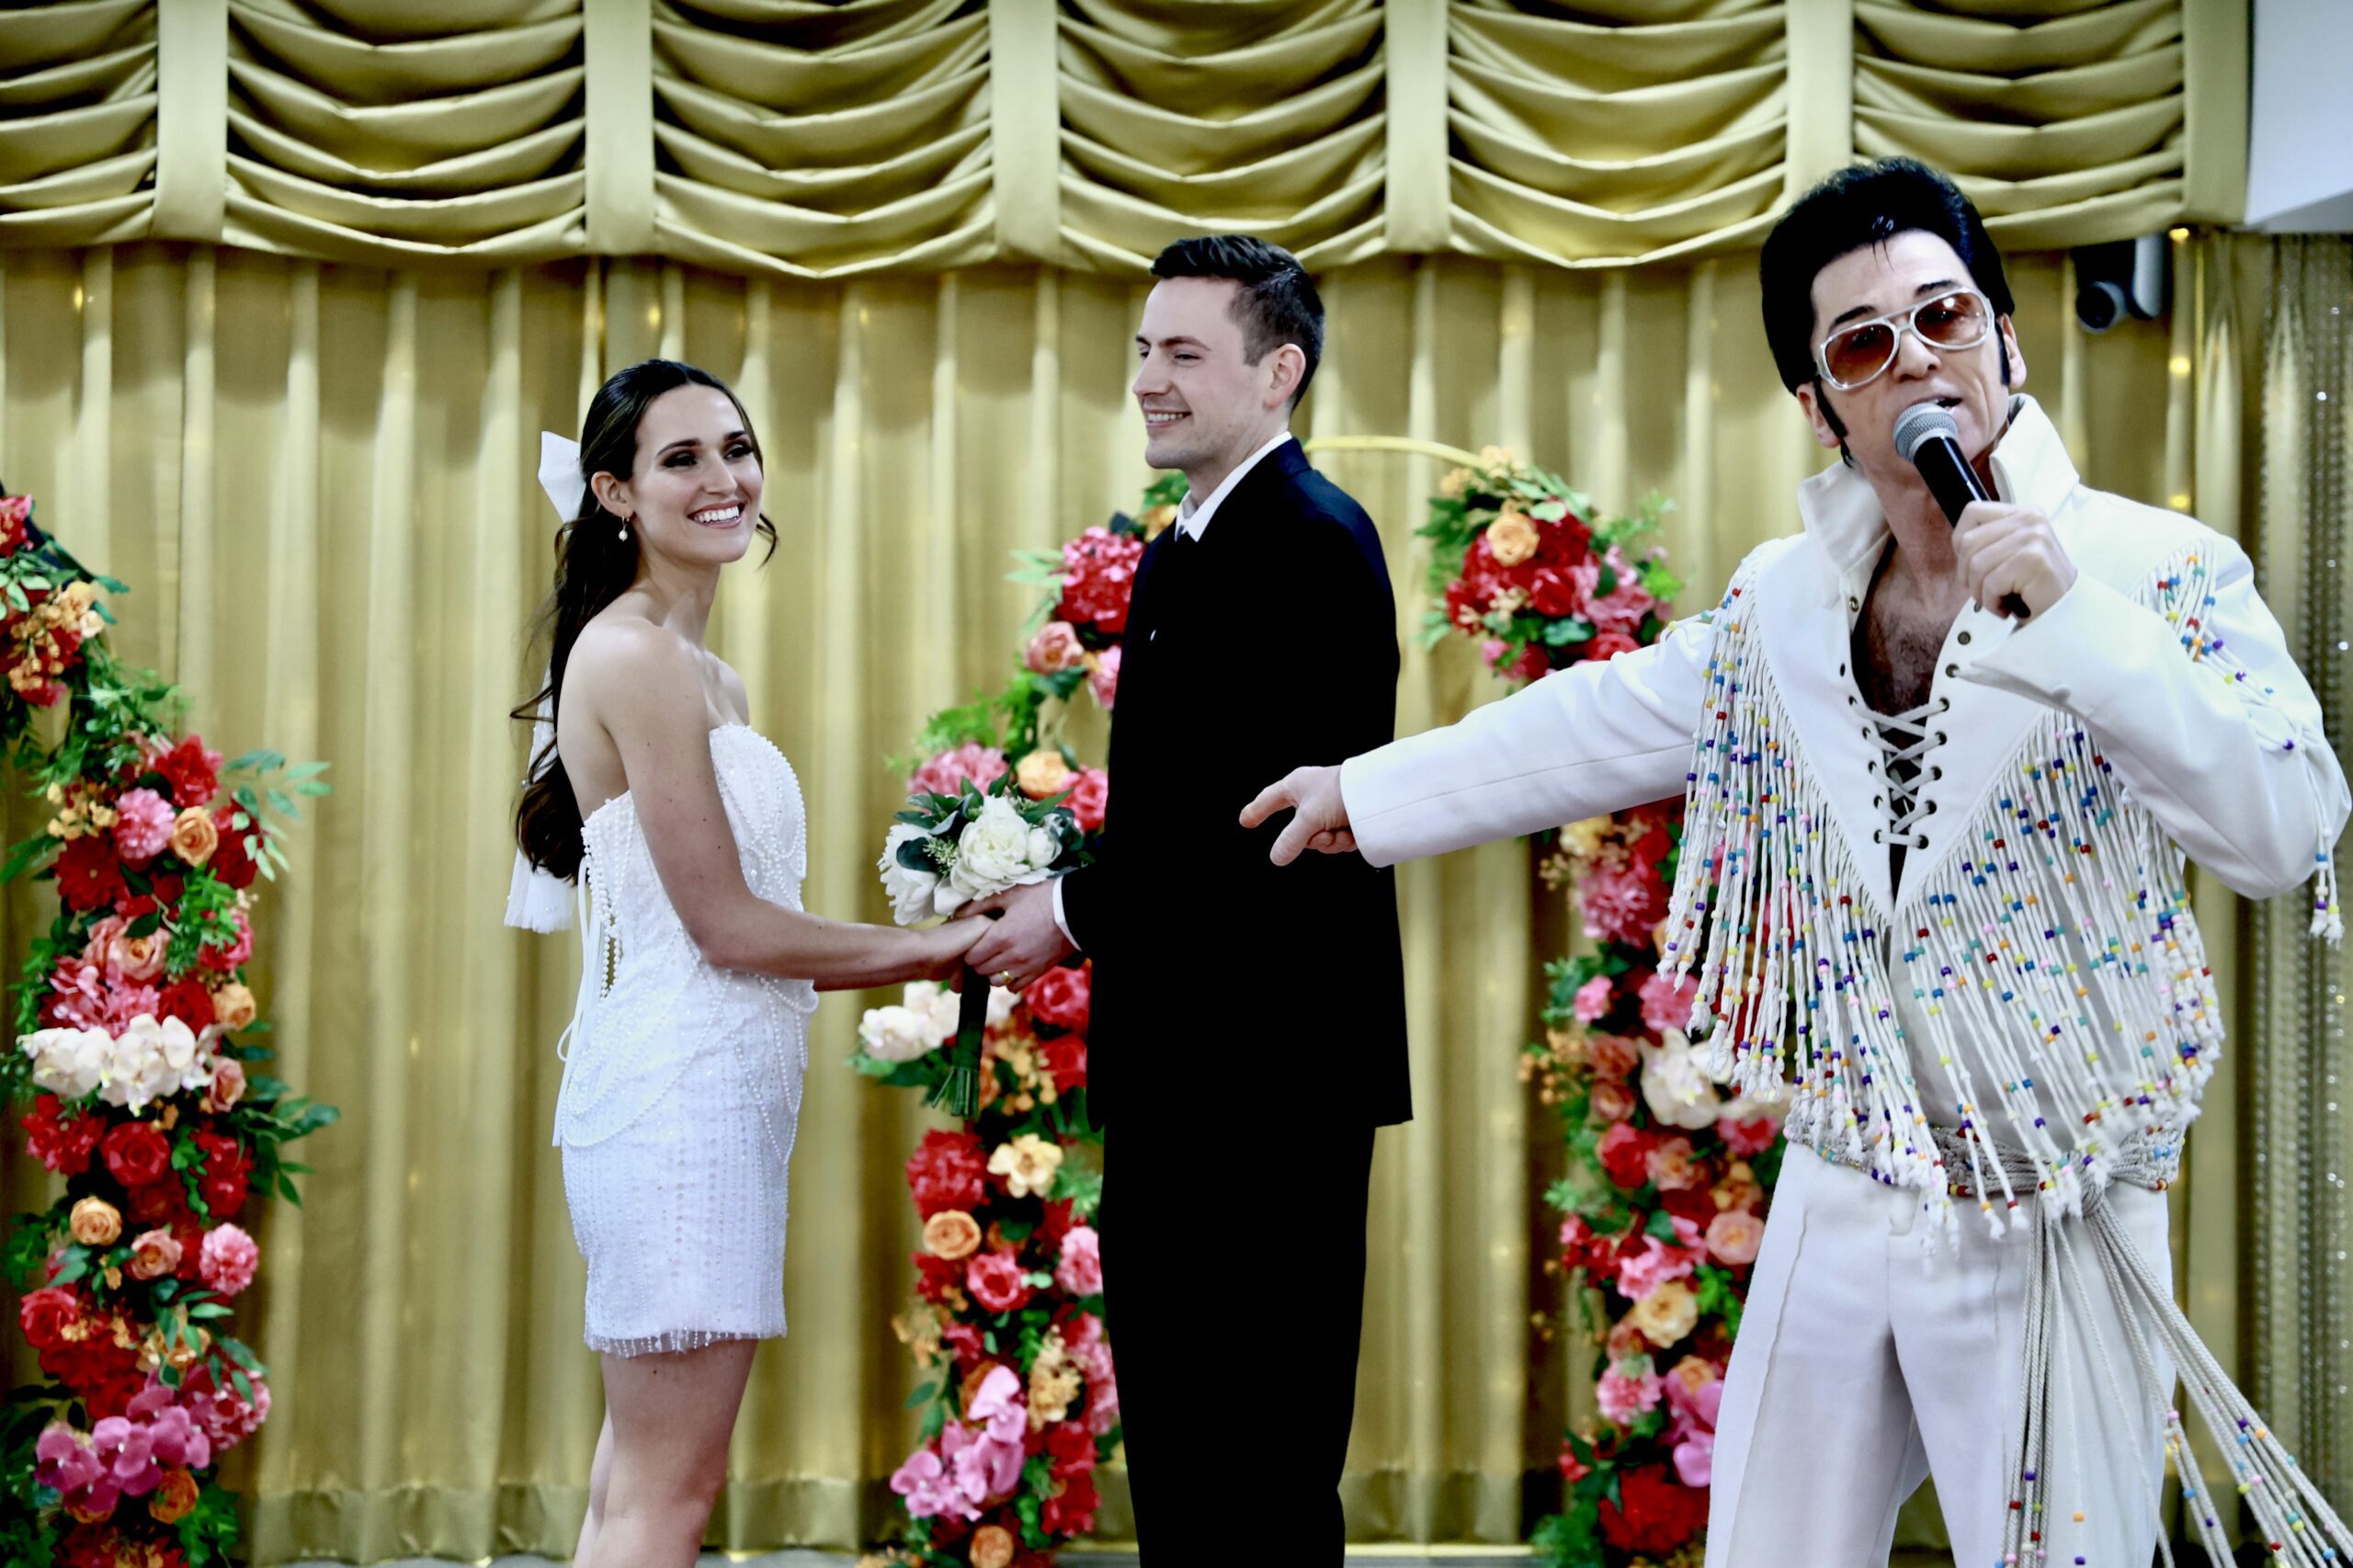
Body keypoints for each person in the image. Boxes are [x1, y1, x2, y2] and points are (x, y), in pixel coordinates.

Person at [1243, 161, 2351, 1565]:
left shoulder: (2162, 570)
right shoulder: (1786, 594)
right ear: (1823, 403)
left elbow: (2284, 825)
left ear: (2008, 337)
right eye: (1864, 345)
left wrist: (2089, 636)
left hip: (2054, 1199)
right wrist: (1369, 789)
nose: (1920, 362)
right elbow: (1613, 716)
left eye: (1946, 316)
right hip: (1845, 1169)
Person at [959, 236, 1408, 1562]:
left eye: (1183, 352)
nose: (1147, 379)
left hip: (1273, 1080)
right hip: (1178, 1075)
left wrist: (1075, 913)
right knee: (1185, 1461)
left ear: (1281, 372)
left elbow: (1263, 827)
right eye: (1144, 349)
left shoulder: (1312, 544)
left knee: (1259, 1470)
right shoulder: (1180, 552)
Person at [506, 359, 984, 1568]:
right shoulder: (638, 659)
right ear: (613, 490)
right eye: (681, 458)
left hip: (710, 1096)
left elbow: (743, 917)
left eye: (736, 446)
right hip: (677, 1101)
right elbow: (728, 926)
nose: (723, 477)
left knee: (640, 1484)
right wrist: (944, 945)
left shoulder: (702, 669)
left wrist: (938, 928)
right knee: (668, 1493)